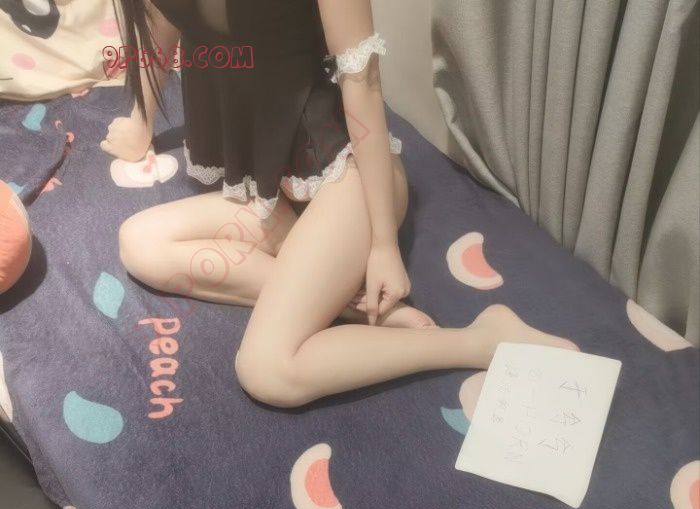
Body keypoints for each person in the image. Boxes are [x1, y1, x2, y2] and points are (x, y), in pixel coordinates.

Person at [104, 0, 577, 408]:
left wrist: (383, 243)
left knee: (268, 371)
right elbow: (160, 25)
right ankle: (351, 307)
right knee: (139, 242)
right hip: (270, 188)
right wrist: (140, 122)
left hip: (347, 174)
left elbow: (363, 82)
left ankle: (479, 340)